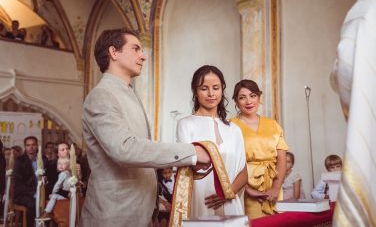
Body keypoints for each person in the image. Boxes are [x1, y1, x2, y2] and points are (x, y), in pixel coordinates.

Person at [80, 28, 210, 227]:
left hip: (141, 210)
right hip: (116, 215)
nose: (143, 56)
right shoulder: (102, 96)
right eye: (136, 49)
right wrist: (191, 153)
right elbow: (125, 148)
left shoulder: (128, 93)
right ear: (114, 52)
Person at [176, 65, 247, 217]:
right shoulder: (186, 124)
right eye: (204, 88)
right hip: (201, 201)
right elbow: (186, 166)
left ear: (222, 90)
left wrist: (227, 193)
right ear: (195, 91)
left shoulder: (234, 129)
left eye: (216, 88)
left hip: (230, 202)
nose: (211, 94)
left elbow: (243, 172)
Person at [230, 79, 288, 219]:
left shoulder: (273, 124)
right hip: (246, 187)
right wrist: (247, 190)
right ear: (236, 102)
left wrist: (275, 188)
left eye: (253, 95)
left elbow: (282, 159)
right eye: (242, 97)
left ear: (259, 98)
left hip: (273, 186)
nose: (248, 101)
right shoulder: (230, 126)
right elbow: (229, 164)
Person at [13, 136, 47, 226]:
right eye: (28, 145)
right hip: (23, 194)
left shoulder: (43, 159)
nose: (31, 147)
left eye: (33, 145)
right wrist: (33, 193)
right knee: (34, 204)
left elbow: (49, 176)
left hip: (42, 191)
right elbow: (18, 182)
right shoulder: (19, 161)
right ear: (25, 147)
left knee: (52, 203)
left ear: (37, 145)